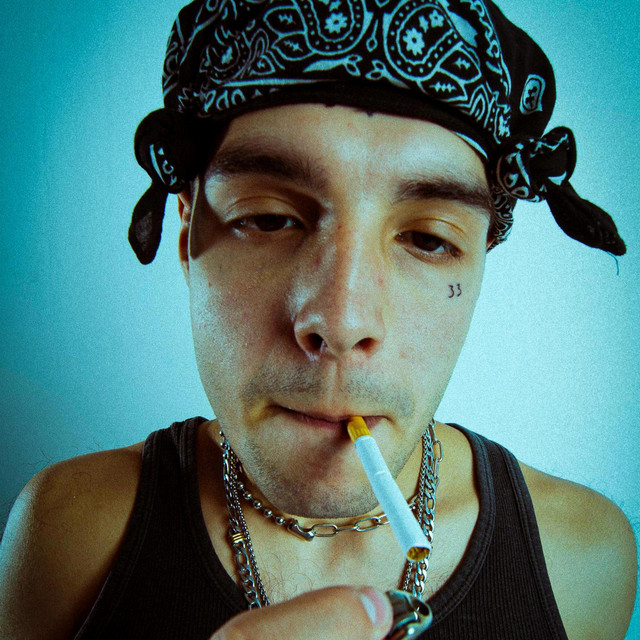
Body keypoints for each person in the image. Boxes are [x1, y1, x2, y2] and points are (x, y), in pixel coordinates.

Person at [0, 0, 636, 638]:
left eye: (428, 239)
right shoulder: (69, 533)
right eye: (270, 219)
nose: (342, 321)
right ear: (187, 235)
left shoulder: (583, 560)